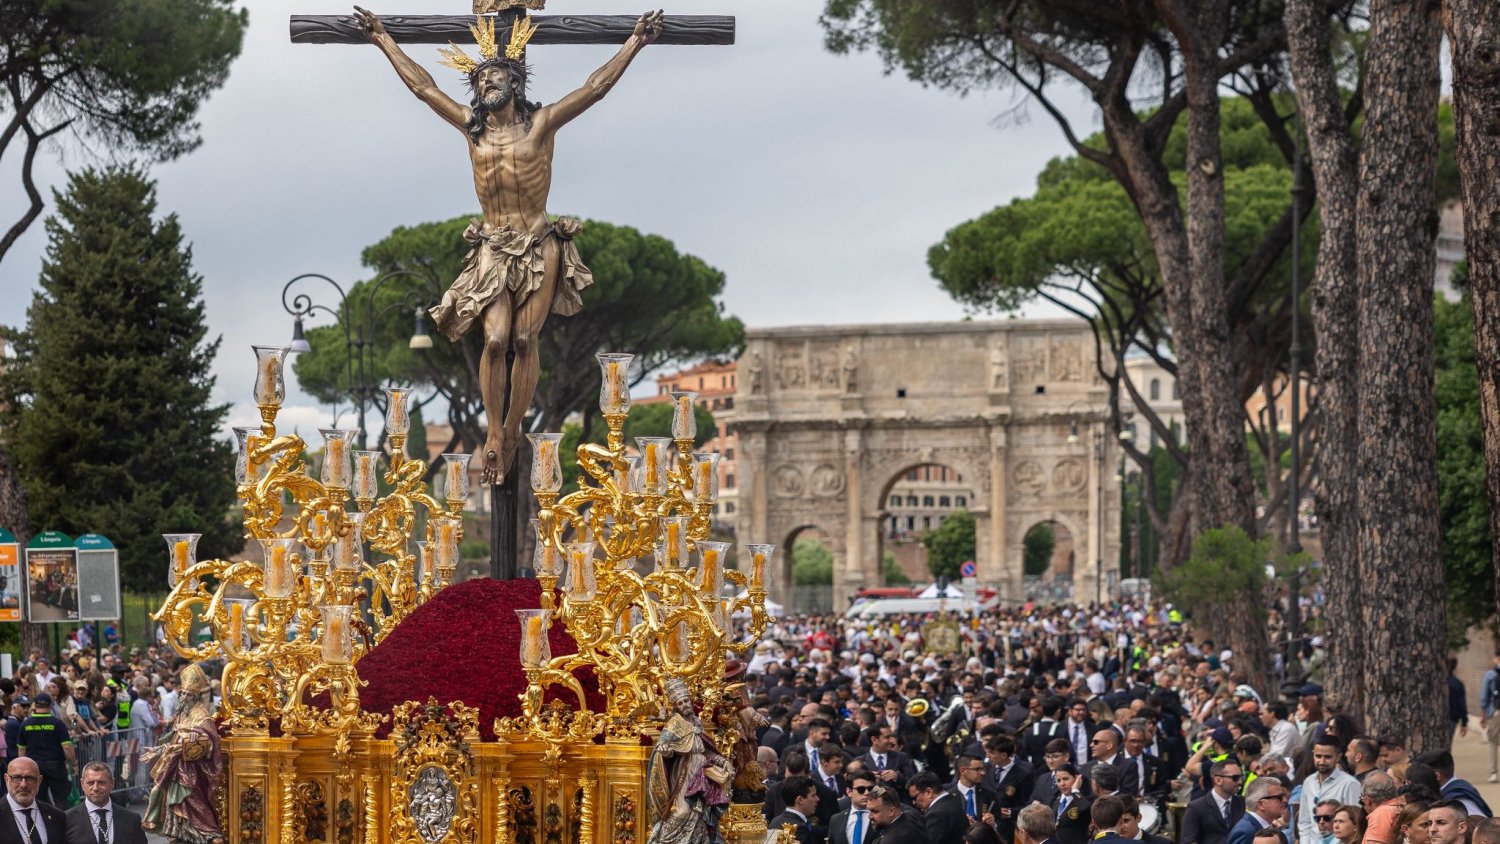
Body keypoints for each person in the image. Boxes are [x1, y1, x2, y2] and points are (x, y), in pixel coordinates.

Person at [353, 3, 664, 485]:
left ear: (515, 82)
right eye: (479, 80)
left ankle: (513, 429)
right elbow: (423, 88)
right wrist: (382, 39)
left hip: (539, 244)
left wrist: (636, 42)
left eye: (493, 77)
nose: (485, 85)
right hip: (493, 248)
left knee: (523, 338)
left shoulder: (541, 125)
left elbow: (594, 88)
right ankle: (494, 431)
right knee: (496, 340)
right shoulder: (471, 130)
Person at [142, 665, 224, 843]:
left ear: (195, 697)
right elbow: (175, 739)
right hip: (175, 763)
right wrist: (158, 750)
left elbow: (211, 740)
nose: (184, 697)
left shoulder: (202, 715)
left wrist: (199, 735)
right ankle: (177, 830)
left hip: (192, 767)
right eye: (183, 694)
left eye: (189, 695)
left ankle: (208, 830)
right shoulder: (182, 714)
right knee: (171, 797)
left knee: (192, 797)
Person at [16, 692, 76, 810]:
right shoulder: (58, 723)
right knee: (60, 798)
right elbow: (67, 747)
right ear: (50, 705)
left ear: (35, 705)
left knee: (39, 799)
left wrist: (22, 768)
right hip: (56, 765)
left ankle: (43, 821)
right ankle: (61, 820)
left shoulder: (26, 724)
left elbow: (21, 749)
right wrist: (73, 763)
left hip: (34, 766)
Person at [1296, 740, 1361, 844]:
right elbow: (1304, 821)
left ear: (1338, 757)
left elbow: (1354, 821)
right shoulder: (1309, 782)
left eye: (1327, 757)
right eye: (1318, 756)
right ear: (1313, 755)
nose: (1322, 761)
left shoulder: (1350, 784)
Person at [66, 762, 147, 844]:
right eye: (90, 783)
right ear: (82, 784)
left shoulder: (132, 819)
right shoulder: (66, 820)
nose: (95, 788)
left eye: (101, 782)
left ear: (112, 783)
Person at [3, 757, 66, 844]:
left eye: (30, 778)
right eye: (17, 778)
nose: (23, 785)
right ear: (6, 779)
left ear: (39, 781)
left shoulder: (57, 816)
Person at [1180, 760, 1245, 844]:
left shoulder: (1242, 803)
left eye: (1241, 777)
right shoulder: (1196, 807)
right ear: (1218, 780)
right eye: (1235, 778)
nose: (1240, 782)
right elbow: (1189, 841)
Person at [908, 771, 967, 844]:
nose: (914, 802)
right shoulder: (952, 800)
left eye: (914, 798)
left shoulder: (936, 814)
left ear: (929, 792)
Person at [1228, 775, 1289, 844]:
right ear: (1261, 804)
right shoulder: (1246, 832)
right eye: (1279, 797)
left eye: (1284, 795)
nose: (1285, 800)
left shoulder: (1266, 826)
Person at [769, 775, 821, 844]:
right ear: (800, 800)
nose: (817, 799)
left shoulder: (775, 822)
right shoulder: (799, 829)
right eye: (813, 795)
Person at [829, 770, 877, 844]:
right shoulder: (836, 820)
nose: (867, 793)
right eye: (861, 789)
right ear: (849, 792)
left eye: (870, 789)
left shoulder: (882, 817)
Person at [1050, 764, 1093, 844]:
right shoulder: (1055, 800)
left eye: (1065, 779)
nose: (1062, 784)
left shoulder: (1084, 799)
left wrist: (1075, 790)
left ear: (1076, 778)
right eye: (1058, 780)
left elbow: (1086, 809)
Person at [1359, 772, 1403, 844]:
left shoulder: (1381, 814)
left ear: (1367, 799)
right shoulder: (1400, 806)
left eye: (1362, 797)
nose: (1362, 801)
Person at [1482, 653, 1500, 784]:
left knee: (1493, 742)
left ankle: (1494, 772)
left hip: (1496, 712)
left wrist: (1483, 715)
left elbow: (1484, 696)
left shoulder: (1490, 674)